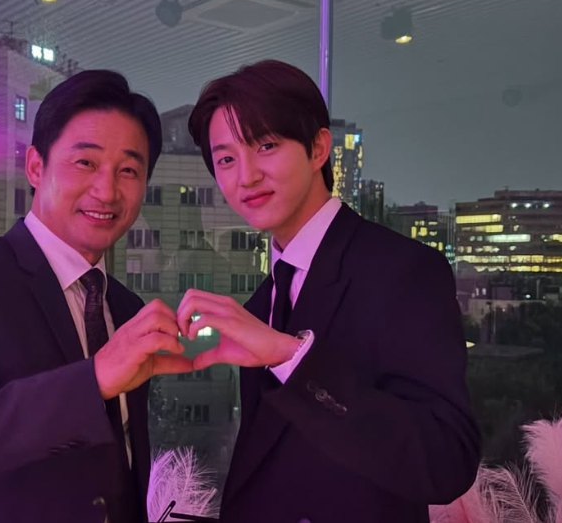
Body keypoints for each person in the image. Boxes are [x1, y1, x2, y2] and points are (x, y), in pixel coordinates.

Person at [179, 60, 481, 523]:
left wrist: (290, 356)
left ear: (319, 147)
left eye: (266, 145)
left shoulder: (403, 270)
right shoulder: (262, 301)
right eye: (226, 159)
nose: (246, 176)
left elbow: (446, 460)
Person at [0, 70, 193, 523]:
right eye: (85, 162)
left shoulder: (125, 308)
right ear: (36, 166)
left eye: (129, 170)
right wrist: (94, 379)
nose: (107, 190)